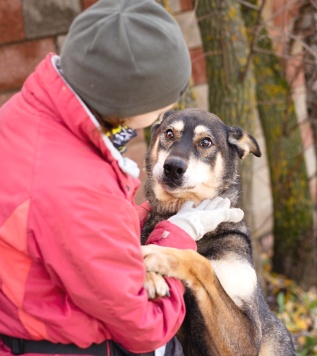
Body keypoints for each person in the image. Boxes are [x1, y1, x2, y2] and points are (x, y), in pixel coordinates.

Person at [0, 0, 243, 355]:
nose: (167, 109)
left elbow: (61, 232)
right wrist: (178, 235)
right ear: (132, 100)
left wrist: (138, 218)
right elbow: (147, 328)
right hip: (46, 341)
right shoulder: (78, 187)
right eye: (164, 102)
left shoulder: (26, 112)